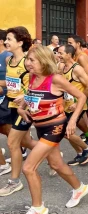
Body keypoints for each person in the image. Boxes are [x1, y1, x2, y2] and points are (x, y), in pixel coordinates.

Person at [17, 46, 88, 214]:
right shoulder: (32, 77)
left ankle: (37, 208)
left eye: (32, 60)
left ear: (44, 61)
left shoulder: (56, 79)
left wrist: (72, 121)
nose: (28, 63)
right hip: (40, 127)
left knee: (28, 168)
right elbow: (32, 96)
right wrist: (22, 108)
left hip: (55, 127)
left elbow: (81, 96)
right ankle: (79, 188)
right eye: (27, 59)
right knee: (56, 164)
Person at [0, 26, 35, 197]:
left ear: (20, 42)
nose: (6, 42)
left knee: (12, 143)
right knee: (26, 142)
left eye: (9, 39)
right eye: (5, 39)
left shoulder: (28, 62)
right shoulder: (9, 61)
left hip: (25, 108)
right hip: (11, 105)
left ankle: (14, 181)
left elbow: (37, 85)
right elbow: (11, 82)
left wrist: (26, 96)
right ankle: (53, 154)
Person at [57, 45, 88, 165]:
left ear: (69, 55)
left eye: (61, 53)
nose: (58, 55)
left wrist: (80, 101)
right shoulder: (62, 67)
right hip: (66, 105)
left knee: (63, 131)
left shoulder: (77, 69)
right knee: (68, 132)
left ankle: (87, 148)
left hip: (77, 106)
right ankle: (80, 153)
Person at [0, 29, 12, 176]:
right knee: (9, 132)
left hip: (7, 100)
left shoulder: (8, 57)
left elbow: (15, 80)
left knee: (13, 134)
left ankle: (49, 153)